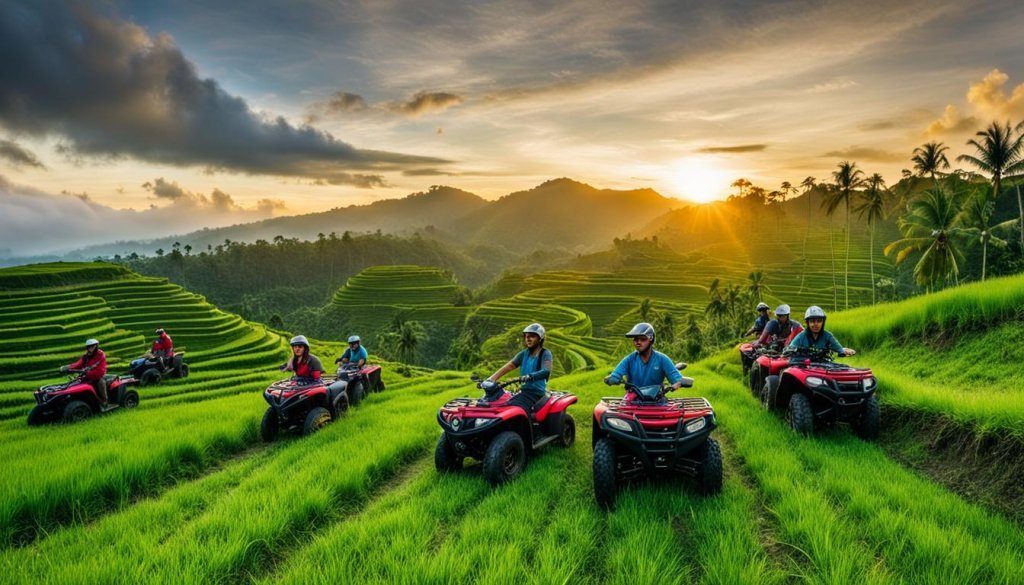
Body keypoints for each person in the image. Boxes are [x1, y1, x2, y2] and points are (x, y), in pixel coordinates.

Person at [604, 322, 683, 404]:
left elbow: (675, 377)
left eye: (642, 339)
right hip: (633, 400)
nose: (638, 342)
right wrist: (612, 379)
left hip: (656, 400)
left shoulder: (662, 359)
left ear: (651, 338)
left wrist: (677, 383)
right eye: (635, 339)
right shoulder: (629, 359)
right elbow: (616, 374)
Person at [485, 323, 552, 410]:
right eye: (526, 336)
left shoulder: (545, 353)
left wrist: (530, 376)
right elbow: (510, 365)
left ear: (540, 338)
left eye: (532, 336)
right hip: (524, 391)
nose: (528, 339)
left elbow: (546, 371)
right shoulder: (524, 354)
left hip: (536, 394)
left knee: (514, 408)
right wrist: (491, 378)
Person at [786, 306, 856, 358]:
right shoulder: (801, 336)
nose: (816, 324)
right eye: (812, 321)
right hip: (804, 367)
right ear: (807, 323)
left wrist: (843, 351)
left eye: (819, 321)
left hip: (824, 367)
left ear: (823, 322)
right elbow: (789, 349)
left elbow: (839, 349)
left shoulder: (828, 336)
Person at [61, 338, 108, 405]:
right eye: (89, 347)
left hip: (98, 374)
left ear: (96, 346)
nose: (91, 348)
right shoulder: (86, 356)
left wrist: (86, 372)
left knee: (100, 382)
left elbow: (97, 367)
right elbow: (79, 363)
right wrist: (68, 367)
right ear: (87, 347)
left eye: (93, 346)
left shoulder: (100, 354)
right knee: (76, 382)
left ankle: (104, 400)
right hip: (87, 375)